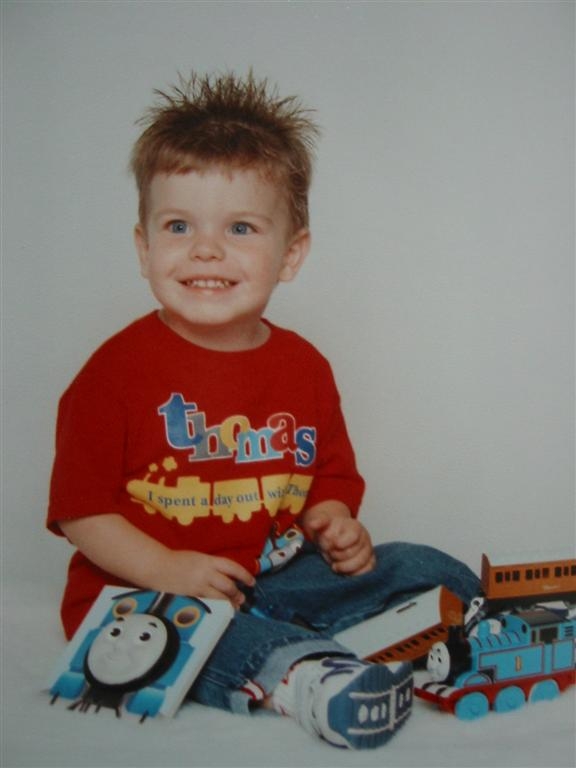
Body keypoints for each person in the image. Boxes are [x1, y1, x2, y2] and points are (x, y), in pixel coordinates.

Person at [47, 71, 480, 749]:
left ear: (290, 254)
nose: (206, 249)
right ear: (144, 247)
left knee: (419, 565)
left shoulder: (304, 367)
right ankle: (306, 678)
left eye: (241, 227)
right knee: (200, 640)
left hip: (275, 574)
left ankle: (464, 623)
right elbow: (82, 511)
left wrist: (334, 523)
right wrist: (168, 570)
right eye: (178, 226)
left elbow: (328, 476)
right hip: (151, 597)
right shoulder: (114, 374)